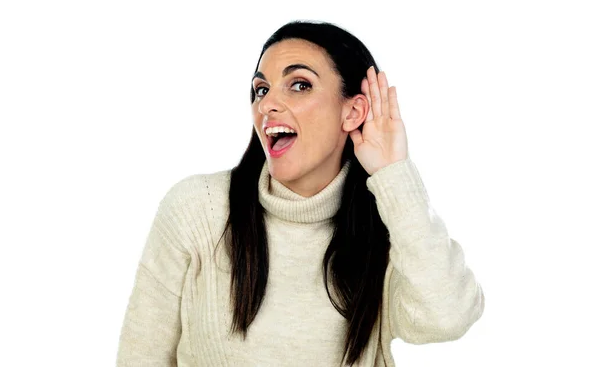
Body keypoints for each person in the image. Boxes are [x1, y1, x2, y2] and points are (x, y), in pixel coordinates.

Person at [116, 20, 485, 367]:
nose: (267, 105)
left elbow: (448, 317)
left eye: (299, 85)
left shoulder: (391, 234)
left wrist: (393, 173)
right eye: (261, 90)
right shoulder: (198, 209)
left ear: (353, 111)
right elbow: (140, 355)